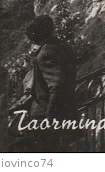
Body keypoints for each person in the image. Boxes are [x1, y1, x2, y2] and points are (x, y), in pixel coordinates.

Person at [17, 15, 77, 151]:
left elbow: (56, 86)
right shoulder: (62, 45)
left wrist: (50, 120)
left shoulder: (45, 54)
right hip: (67, 110)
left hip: (45, 116)